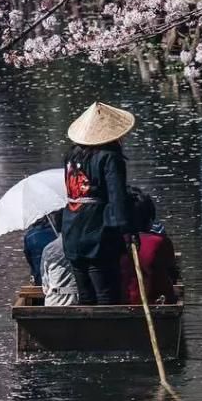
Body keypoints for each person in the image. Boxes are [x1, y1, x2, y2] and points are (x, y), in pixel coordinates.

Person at [62, 100, 134, 305]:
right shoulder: (110, 157)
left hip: (72, 228)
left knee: (86, 296)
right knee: (106, 295)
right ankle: (108, 336)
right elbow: (117, 196)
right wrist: (127, 231)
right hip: (98, 233)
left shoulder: (71, 155)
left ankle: (86, 336)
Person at [120, 188, 179, 305]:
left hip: (117, 300)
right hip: (150, 301)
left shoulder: (110, 241)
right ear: (149, 218)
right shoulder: (159, 242)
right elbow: (171, 275)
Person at [23, 211, 61, 285]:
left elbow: (29, 259)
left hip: (39, 278)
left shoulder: (29, 236)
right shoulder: (56, 234)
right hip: (58, 278)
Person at [40, 233, 78, 306]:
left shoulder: (49, 248)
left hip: (54, 300)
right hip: (78, 300)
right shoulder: (85, 246)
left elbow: (45, 286)